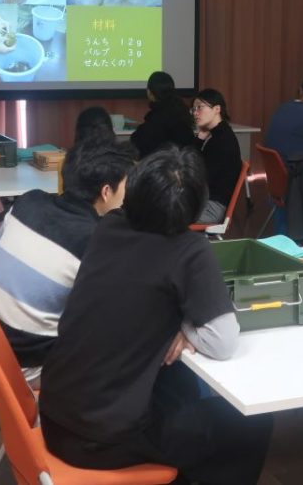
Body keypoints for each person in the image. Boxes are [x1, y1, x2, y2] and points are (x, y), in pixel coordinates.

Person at [39, 146, 273, 484]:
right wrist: (186, 327)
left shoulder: (109, 225)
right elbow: (223, 342)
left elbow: (140, 296)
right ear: (196, 205)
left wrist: (176, 323)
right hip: (103, 440)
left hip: (56, 415)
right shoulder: (190, 250)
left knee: (178, 382)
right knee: (253, 423)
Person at [0, 140, 135, 379]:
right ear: (106, 192)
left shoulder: (28, 201)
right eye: (127, 186)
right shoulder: (94, 240)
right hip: (29, 364)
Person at [191, 89, 242, 225]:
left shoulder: (222, 140)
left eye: (200, 107)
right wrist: (200, 138)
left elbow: (199, 176)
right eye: (193, 109)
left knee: (163, 214)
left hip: (211, 207)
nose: (195, 113)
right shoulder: (217, 134)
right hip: (205, 201)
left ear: (217, 109)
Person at [130, 71, 195, 158]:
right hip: (185, 163)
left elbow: (138, 143)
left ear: (149, 92)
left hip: (162, 164)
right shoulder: (182, 111)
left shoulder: (156, 118)